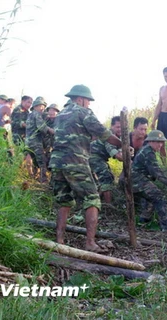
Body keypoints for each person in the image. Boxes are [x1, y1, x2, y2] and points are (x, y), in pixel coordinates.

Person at [49, 84, 122, 253]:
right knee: (92, 198)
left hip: (57, 162)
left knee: (63, 200)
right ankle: (90, 243)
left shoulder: (60, 115)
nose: (89, 104)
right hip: (75, 161)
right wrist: (122, 143)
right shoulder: (83, 112)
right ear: (81, 99)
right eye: (88, 101)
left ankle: (59, 240)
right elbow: (103, 133)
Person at [132, 130, 167, 230]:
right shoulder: (148, 152)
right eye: (157, 142)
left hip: (135, 180)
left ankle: (144, 220)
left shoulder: (146, 150)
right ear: (150, 141)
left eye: (162, 142)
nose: (160, 145)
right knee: (159, 197)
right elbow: (156, 171)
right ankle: (166, 226)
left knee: (150, 197)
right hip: (136, 180)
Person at [89, 116, 123, 209]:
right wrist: (128, 159)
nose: (120, 129)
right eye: (118, 127)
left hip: (99, 158)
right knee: (106, 178)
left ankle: (98, 201)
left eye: (122, 127)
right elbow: (117, 156)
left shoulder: (120, 136)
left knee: (107, 178)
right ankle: (109, 206)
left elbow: (121, 151)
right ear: (112, 126)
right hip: (93, 156)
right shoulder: (110, 135)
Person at [25, 97, 54, 183]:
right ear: (35, 106)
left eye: (44, 107)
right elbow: (41, 127)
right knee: (42, 161)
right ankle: (43, 180)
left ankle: (32, 176)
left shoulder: (30, 115)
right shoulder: (36, 114)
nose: (43, 108)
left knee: (32, 159)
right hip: (36, 141)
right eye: (41, 106)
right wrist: (50, 130)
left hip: (28, 141)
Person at [118, 117, 149, 188]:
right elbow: (119, 155)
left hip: (142, 166)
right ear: (134, 128)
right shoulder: (126, 138)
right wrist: (128, 160)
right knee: (122, 181)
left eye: (145, 129)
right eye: (141, 129)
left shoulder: (148, 140)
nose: (143, 132)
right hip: (128, 165)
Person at [43, 103, 60, 167]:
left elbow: (54, 132)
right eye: (50, 110)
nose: (51, 112)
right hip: (46, 145)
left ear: (57, 112)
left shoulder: (59, 121)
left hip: (55, 146)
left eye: (53, 110)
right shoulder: (46, 120)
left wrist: (47, 128)